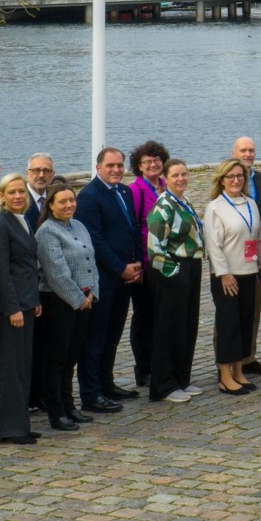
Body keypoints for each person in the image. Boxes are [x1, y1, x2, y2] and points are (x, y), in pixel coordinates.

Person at [73, 147, 141, 413]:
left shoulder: (124, 192)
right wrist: (119, 267)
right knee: (95, 338)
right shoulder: (89, 196)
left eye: (120, 165)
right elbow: (95, 241)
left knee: (112, 336)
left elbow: (131, 228)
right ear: (98, 167)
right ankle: (91, 394)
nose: (116, 170)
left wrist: (135, 264)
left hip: (124, 278)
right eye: (110, 165)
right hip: (102, 279)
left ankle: (107, 383)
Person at [35, 184, 97, 432]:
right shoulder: (47, 232)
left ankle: (69, 405)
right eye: (62, 201)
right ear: (51, 205)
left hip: (84, 300)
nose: (69, 205)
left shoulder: (79, 226)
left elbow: (91, 262)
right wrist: (77, 298)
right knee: (56, 359)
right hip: (58, 303)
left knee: (72, 355)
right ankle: (56, 411)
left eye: (72, 200)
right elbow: (55, 273)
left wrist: (92, 293)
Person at [204, 158, 261, 394]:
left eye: (240, 176)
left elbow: (259, 236)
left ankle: (239, 372)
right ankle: (224, 376)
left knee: (244, 323)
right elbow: (213, 245)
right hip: (227, 276)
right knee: (228, 325)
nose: (235, 180)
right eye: (230, 176)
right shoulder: (215, 207)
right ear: (222, 180)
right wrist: (224, 273)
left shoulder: (250, 202)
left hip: (249, 271)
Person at [0, 174, 42, 445]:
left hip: (27, 303)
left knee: (23, 365)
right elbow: (1, 270)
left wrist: (34, 301)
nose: (18, 196)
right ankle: (9, 428)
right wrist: (14, 308)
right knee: (10, 368)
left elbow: (28, 266)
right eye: (12, 192)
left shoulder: (23, 221)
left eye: (22, 192)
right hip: (11, 308)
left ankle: (21, 423)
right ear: (2, 196)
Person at [145, 160, 203, 404]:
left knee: (187, 325)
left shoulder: (184, 202)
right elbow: (155, 249)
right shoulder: (163, 206)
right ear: (165, 179)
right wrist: (175, 273)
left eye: (184, 174)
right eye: (175, 175)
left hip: (191, 267)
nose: (181, 179)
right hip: (173, 270)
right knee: (169, 328)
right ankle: (163, 384)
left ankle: (181, 378)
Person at [124, 140, 168, 388]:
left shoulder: (165, 185)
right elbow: (134, 227)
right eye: (147, 162)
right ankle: (143, 368)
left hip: (166, 262)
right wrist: (138, 262)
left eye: (156, 160)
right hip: (146, 263)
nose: (153, 165)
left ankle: (160, 363)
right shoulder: (136, 190)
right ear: (139, 166)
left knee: (162, 316)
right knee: (144, 316)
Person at [231, 137, 261, 376]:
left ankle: (249, 357)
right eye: (243, 150)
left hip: (257, 253)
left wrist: (260, 242)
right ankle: (227, 360)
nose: (248, 154)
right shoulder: (229, 179)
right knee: (231, 310)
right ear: (234, 152)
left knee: (254, 307)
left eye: (251, 150)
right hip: (234, 255)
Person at [25, 154, 57, 226]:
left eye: (46, 171)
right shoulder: (19, 199)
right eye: (36, 170)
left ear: (53, 174)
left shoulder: (54, 198)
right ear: (27, 173)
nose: (41, 175)